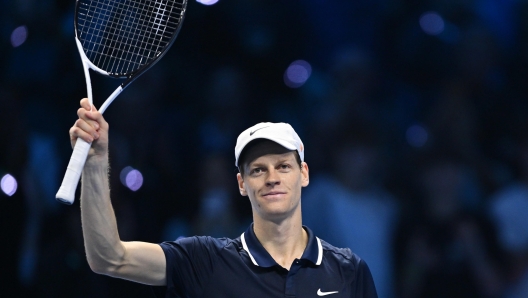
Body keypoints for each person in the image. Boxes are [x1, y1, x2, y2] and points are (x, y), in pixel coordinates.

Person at [70, 98, 378, 297]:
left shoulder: (348, 270)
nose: (272, 178)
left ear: (305, 174)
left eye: (283, 166)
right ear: (241, 184)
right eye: (258, 170)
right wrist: (96, 164)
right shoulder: (207, 260)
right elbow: (109, 258)